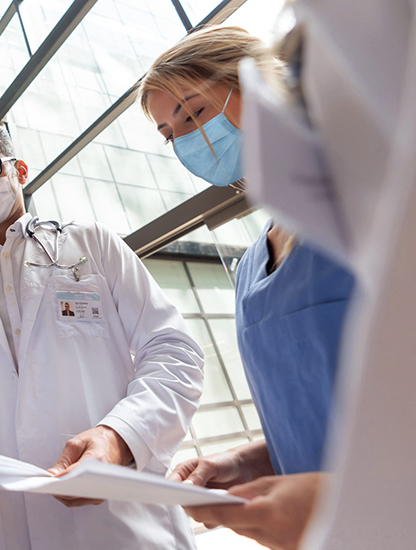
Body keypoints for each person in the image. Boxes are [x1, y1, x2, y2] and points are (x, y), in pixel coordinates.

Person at [0, 121, 206, 549]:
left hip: (118, 524)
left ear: (18, 171)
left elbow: (172, 349)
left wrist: (121, 436)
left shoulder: (92, 245)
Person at [139, 26, 355, 549]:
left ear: (259, 84)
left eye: (193, 113)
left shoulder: (369, 211)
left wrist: (335, 498)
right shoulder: (252, 266)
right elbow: (314, 416)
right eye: (171, 134)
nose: (188, 139)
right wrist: (248, 459)